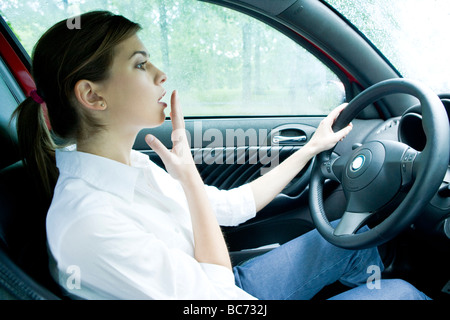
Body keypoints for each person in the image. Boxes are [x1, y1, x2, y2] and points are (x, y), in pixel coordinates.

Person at [12, 11, 429, 300]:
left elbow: (231, 206)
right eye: (140, 65)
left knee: (349, 240)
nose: (161, 74)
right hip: (221, 297)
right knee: (403, 293)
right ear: (92, 95)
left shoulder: (130, 166)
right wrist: (190, 180)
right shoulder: (89, 222)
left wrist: (312, 148)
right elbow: (215, 299)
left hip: (222, 288)